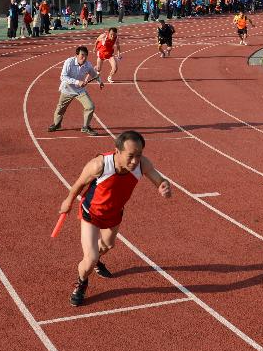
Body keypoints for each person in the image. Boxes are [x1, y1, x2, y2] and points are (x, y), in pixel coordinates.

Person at [59, 130, 172, 307]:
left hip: (114, 214)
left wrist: (164, 187)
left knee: (108, 245)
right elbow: (79, 184)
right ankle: (81, 282)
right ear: (117, 151)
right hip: (91, 213)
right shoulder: (100, 165)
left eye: (139, 155)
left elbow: (160, 180)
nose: (135, 161)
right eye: (131, 156)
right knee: (90, 258)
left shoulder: (142, 164)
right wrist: (68, 201)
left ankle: (96, 262)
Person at [48, 46, 104, 136]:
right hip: (67, 89)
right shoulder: (69, 62)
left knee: (90, 106)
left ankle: (86, 127)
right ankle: (57, 124)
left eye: (86, 55)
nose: (84, 58)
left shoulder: (88, 65)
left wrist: (100, 82)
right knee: (61, 108)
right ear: (76, 55)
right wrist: (78, 82)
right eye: (82, 55)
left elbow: (94, 74)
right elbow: (63, 77)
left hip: (80, 90)